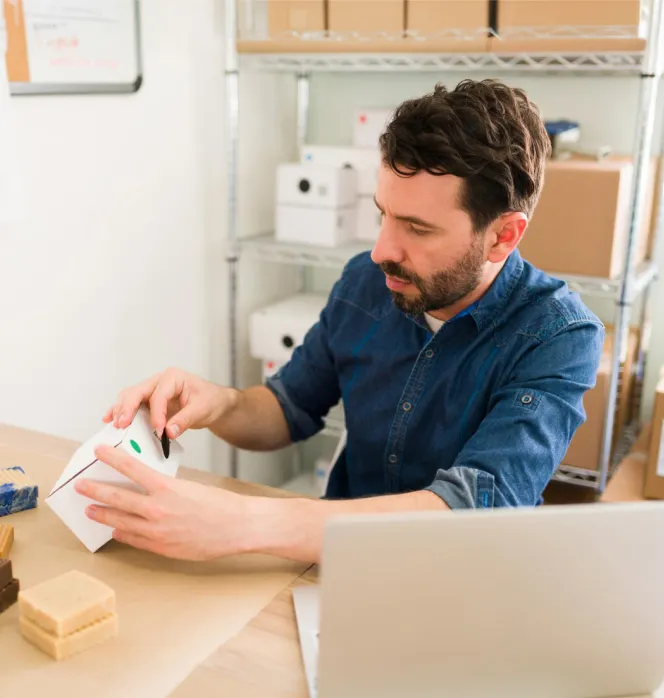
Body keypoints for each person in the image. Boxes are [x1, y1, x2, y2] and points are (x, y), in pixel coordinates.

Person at [75, 79, 604, 564]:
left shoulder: (559, 337)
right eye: (383, 214)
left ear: (503, 236)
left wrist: (244, 522)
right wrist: (220, 403)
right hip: (335, 562)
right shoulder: (365, 282)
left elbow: (477, 506)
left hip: (461, 578)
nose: (380, 251)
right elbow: (289, 408)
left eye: (417, 228)